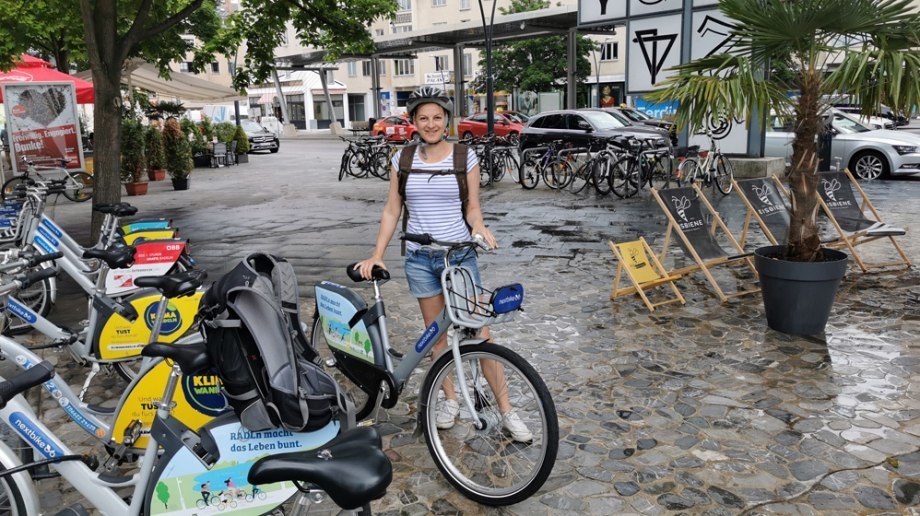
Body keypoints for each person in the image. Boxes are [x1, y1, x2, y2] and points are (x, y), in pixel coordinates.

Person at [355, 85, 532, 442]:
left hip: (459, 256)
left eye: (437, 117)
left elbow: (472, 207)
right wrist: (377, 253)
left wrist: (479, 226)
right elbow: (392, 209)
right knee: (436, 336)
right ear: (414, 122)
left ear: (446, 120)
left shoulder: (464, 156)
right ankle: (449, 400)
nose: (431, 124)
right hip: (420, 259)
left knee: (480, 333)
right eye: (424, 118)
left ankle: (506, 409)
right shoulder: (401, 160)